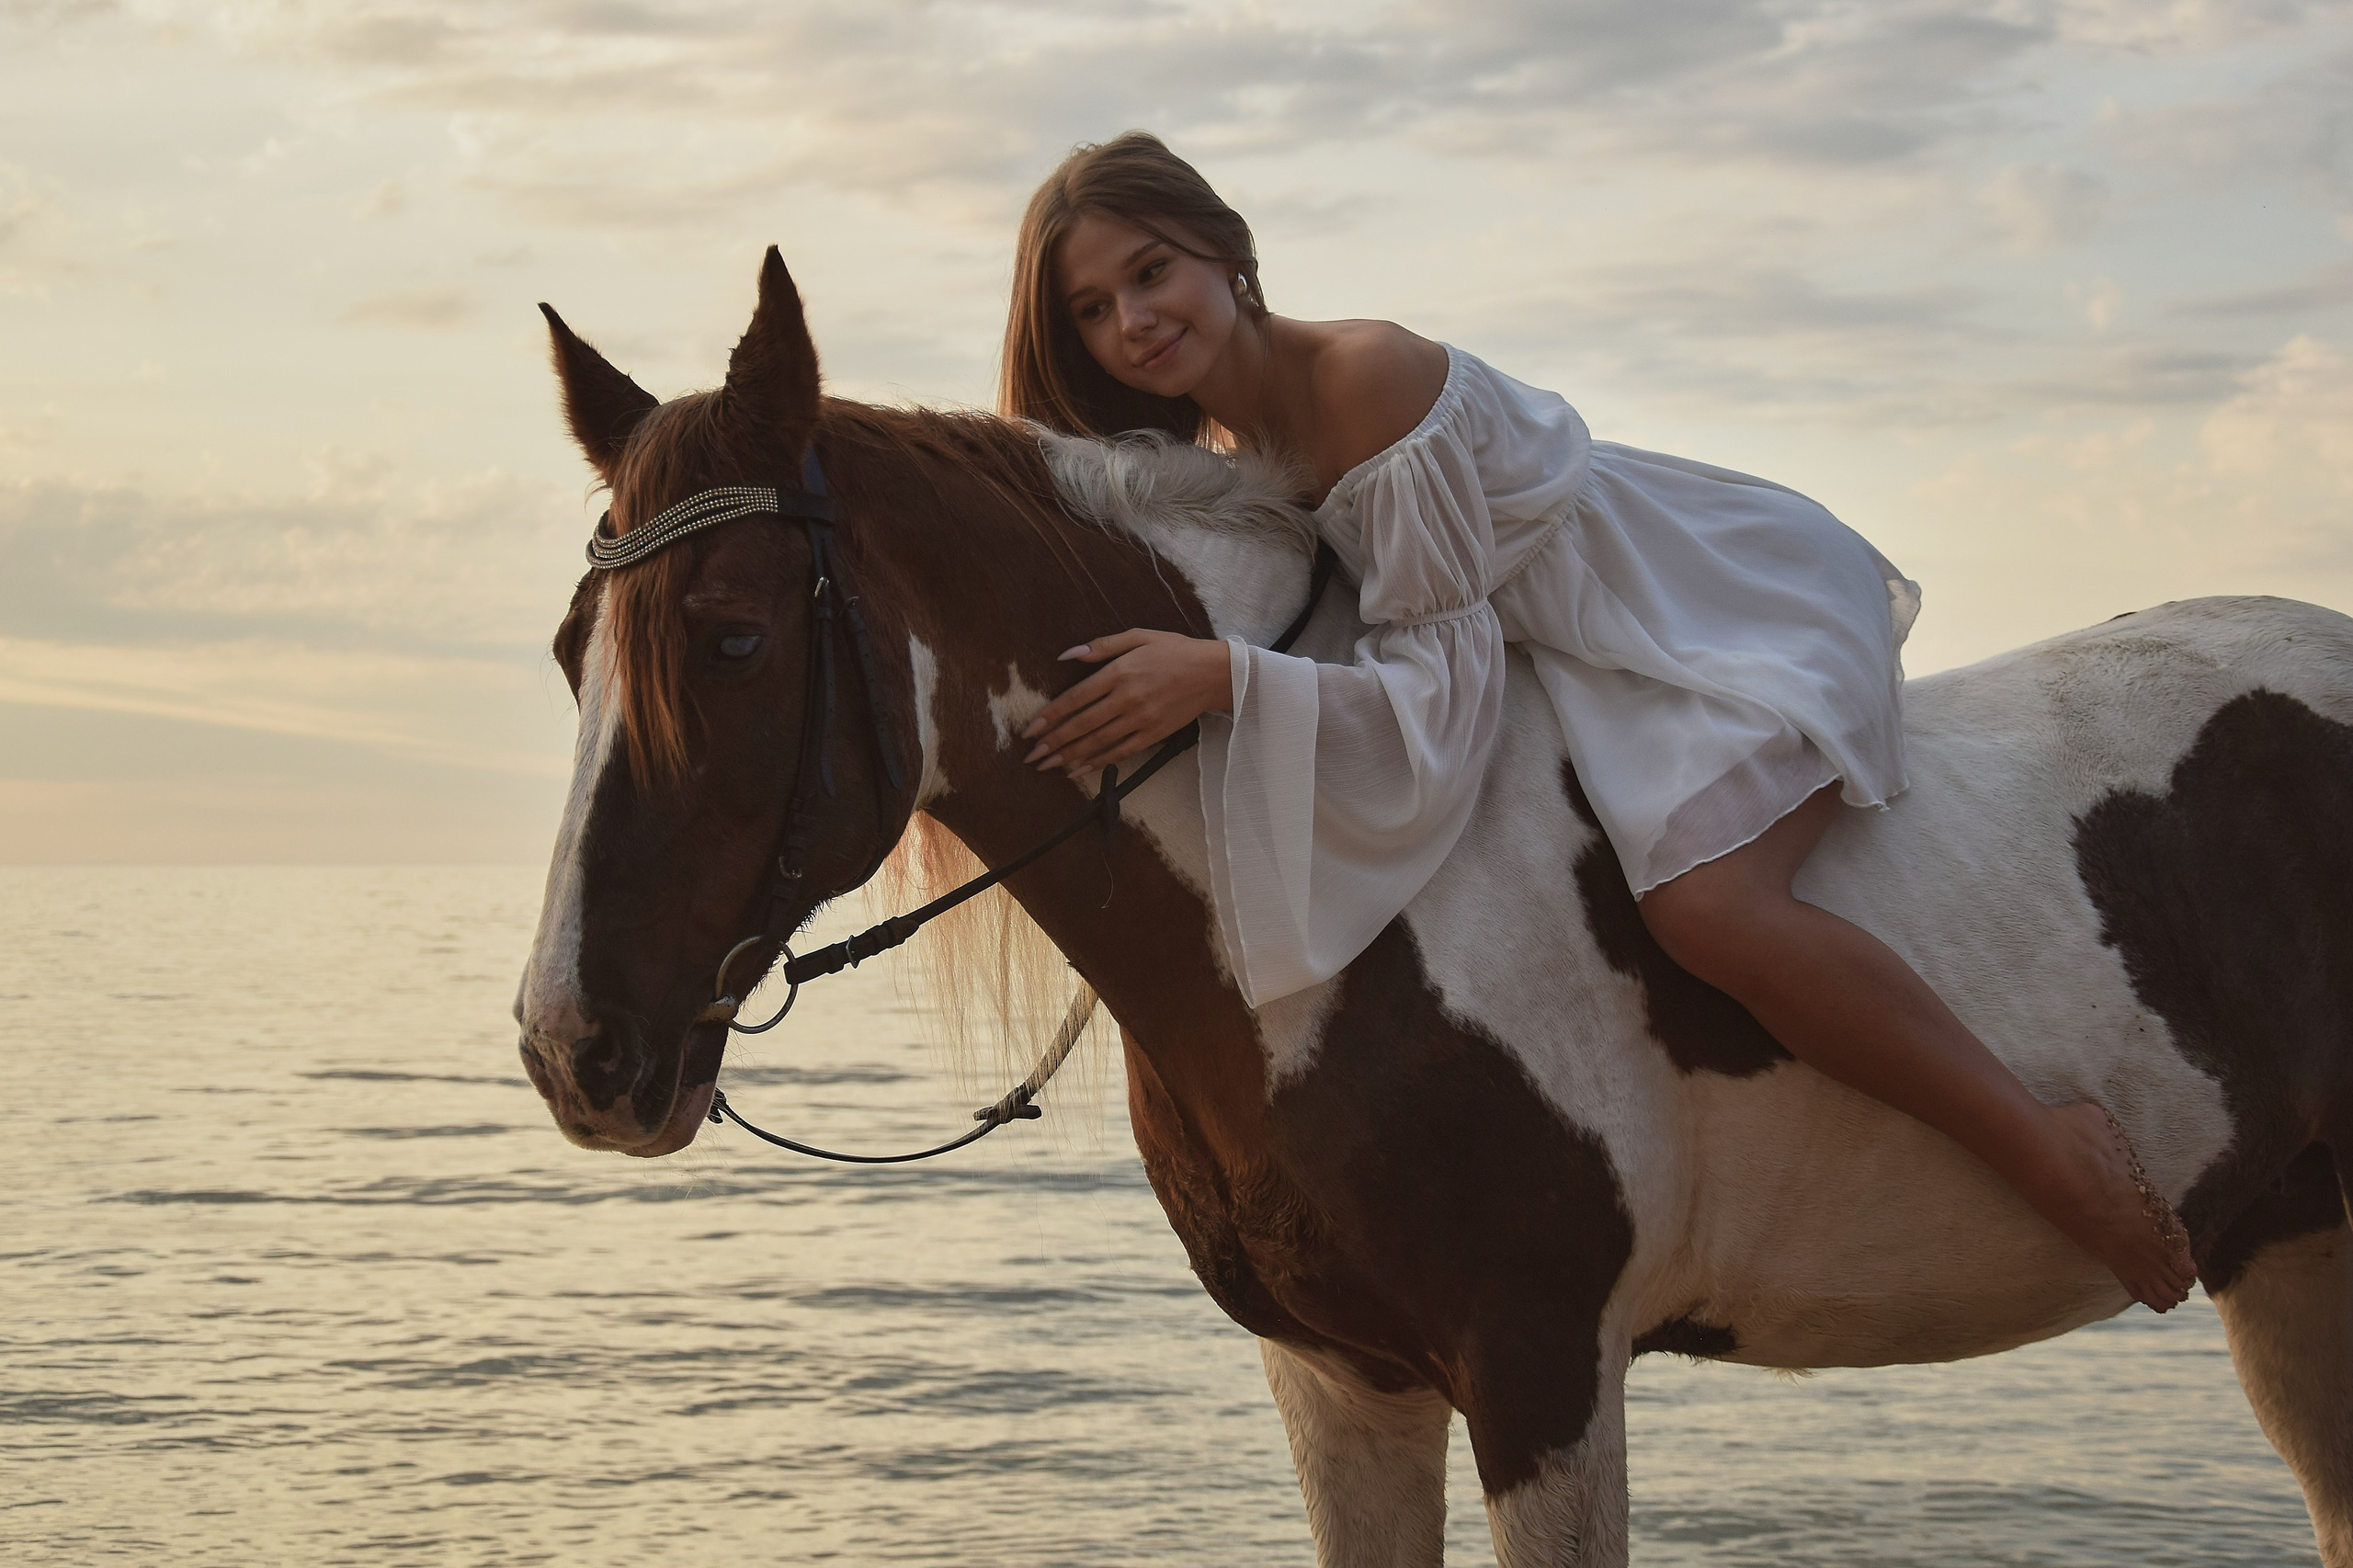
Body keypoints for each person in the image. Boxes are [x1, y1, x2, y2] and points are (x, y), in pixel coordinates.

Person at [1002, 131, 2196, 1312]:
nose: (1133, 322)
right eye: (1096, 310)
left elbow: (1442, 684)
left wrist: (1222, 679)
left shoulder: (1361, 377)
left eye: (1151, 272)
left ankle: (2047, 1145)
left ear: (1225, 250)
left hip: (1697, 608)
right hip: (1563, 655)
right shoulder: (1235, 449)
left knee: (1712, 909)